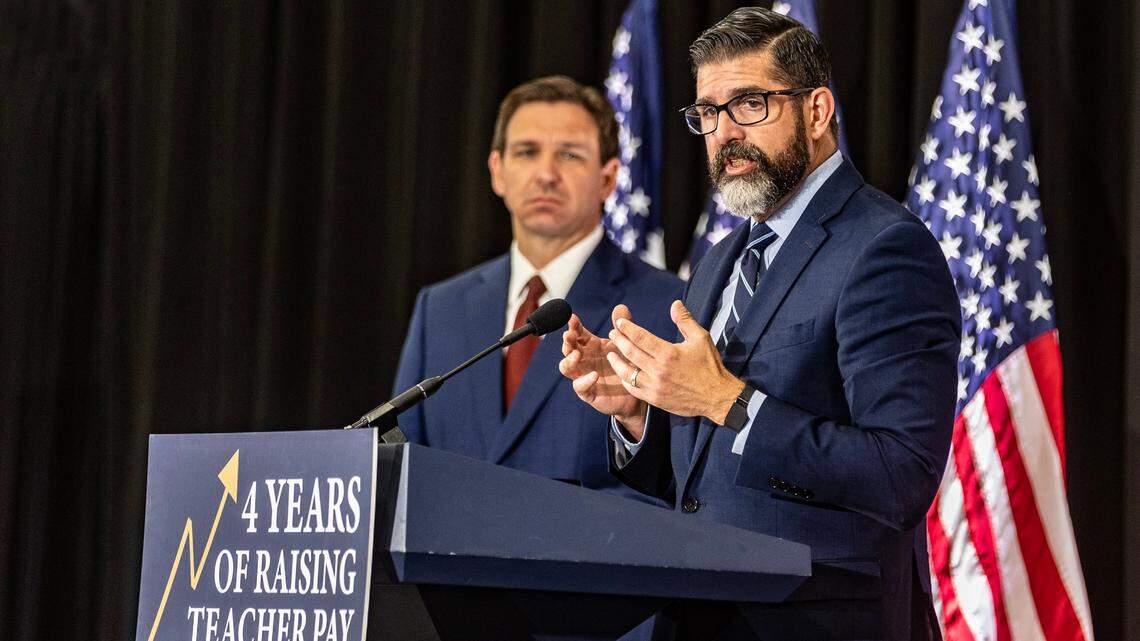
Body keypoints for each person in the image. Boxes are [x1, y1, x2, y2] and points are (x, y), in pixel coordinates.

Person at [559, 8, 960, 640]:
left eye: (749, 104)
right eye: (708, 113)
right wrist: (641, 414)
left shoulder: (884, 248)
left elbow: (901, 475)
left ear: (818, 111)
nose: (724, 132)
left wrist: (726, 400)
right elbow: (703, 485)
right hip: (700, 614)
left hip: (817, 621)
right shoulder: (723, 258)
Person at [393, 75, 683, 505]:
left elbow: (682, 481)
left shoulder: (667, 306)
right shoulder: (441, 307)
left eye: (569, 154)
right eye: (527, 152)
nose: (546, 174)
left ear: (608, 179)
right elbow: (403, 465)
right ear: (497, 171)